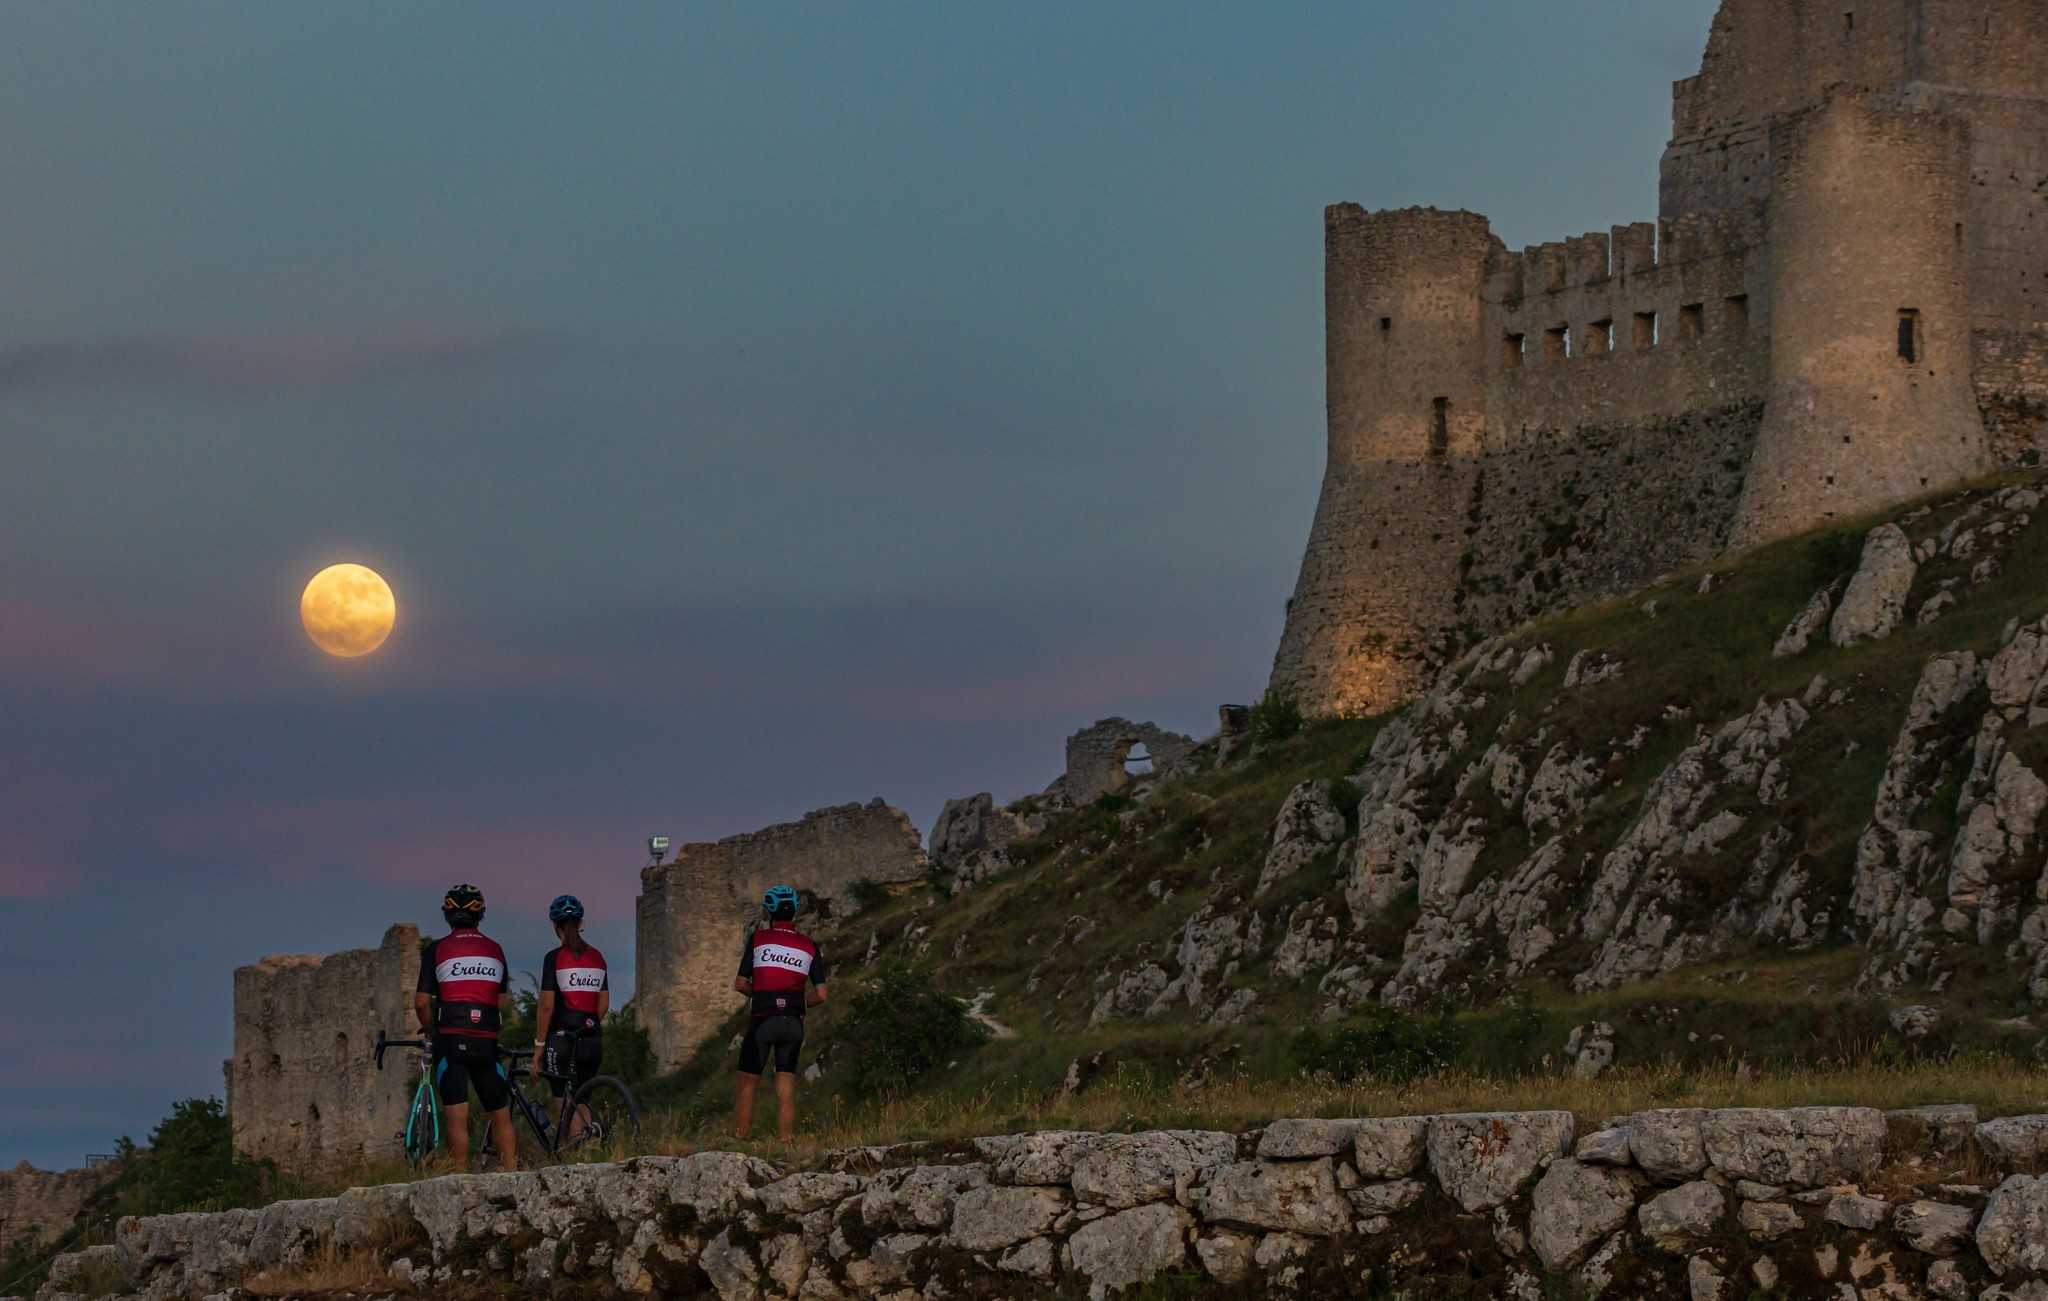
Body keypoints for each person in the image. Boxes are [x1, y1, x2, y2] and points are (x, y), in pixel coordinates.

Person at [414, 883, 517, 1171]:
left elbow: (422, 1002)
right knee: (500, 1114)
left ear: (448, 916)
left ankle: (460, 1178)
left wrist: (430, 1028)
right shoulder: (495, 949)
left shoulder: (437, 950)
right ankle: (513, 1175)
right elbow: (502, 1000)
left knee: (457, 1114)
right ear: (480, 915)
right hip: (485, 1038)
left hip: (451, 1036)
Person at [733, 884, 829, 1142]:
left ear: (769, 912)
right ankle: (786, 1139)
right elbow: (821, 994)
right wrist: (796, 1002)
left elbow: (740, 984)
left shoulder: (759, 939)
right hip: (793, 1023)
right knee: (785, 1085)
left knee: (747, 1083)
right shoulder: (810, 946)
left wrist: (765, 997)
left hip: (763, 1019)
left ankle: (741, 1136)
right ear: (795, 912)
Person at [530, 894, 609, 1143]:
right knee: (583, 1095)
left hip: (562, 1038)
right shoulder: (597, 957)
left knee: (561, 1094)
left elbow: (546, 1006)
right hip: (592, 1038)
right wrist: (587, 1024)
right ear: (580, 922)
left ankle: (575, 1144)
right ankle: (590, 1149)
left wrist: (539, 1046)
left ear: (556, 926)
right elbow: (603, 1005)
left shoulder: (554, 958)